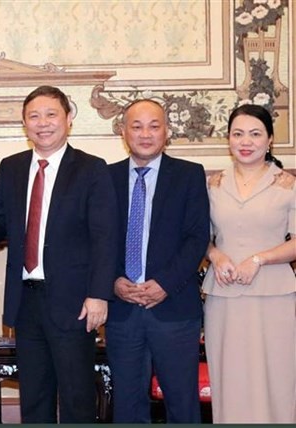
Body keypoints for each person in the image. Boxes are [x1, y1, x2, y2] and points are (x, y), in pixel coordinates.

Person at [0, 85, 118, 423]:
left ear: (69, 119)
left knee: (76, 397)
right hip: (26, 301)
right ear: (24, 124)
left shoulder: (91, 168)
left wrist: (99, 294)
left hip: (74, 303)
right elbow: (0, 219)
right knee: (34, 396)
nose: (43, 123)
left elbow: (105, 237)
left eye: (51, 114)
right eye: (34, 116)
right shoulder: (11, 167)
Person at [106, 99, 210, 423]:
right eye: (136, 126)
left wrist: (164, 283)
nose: (146, 134)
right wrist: (114, 280)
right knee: (127, 406)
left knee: (182, 405)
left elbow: (197, 238)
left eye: (154, 125)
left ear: (167, 131)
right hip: (122, 311)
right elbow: (95, 240)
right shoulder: (104, 178)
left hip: (175, 309)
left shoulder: (189, 175)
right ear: (123, 132)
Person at [202, 104, 296, 423]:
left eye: (255, 134)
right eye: (238, 134)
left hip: (275, 295)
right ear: (228, 139)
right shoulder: (213, 184)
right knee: (230, 377)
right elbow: (200, 236)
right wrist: (216, 255)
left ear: (270, 140)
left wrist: (260, 259)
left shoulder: (287, 183)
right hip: (224, 296)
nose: (246, 141)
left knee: (277, 378)